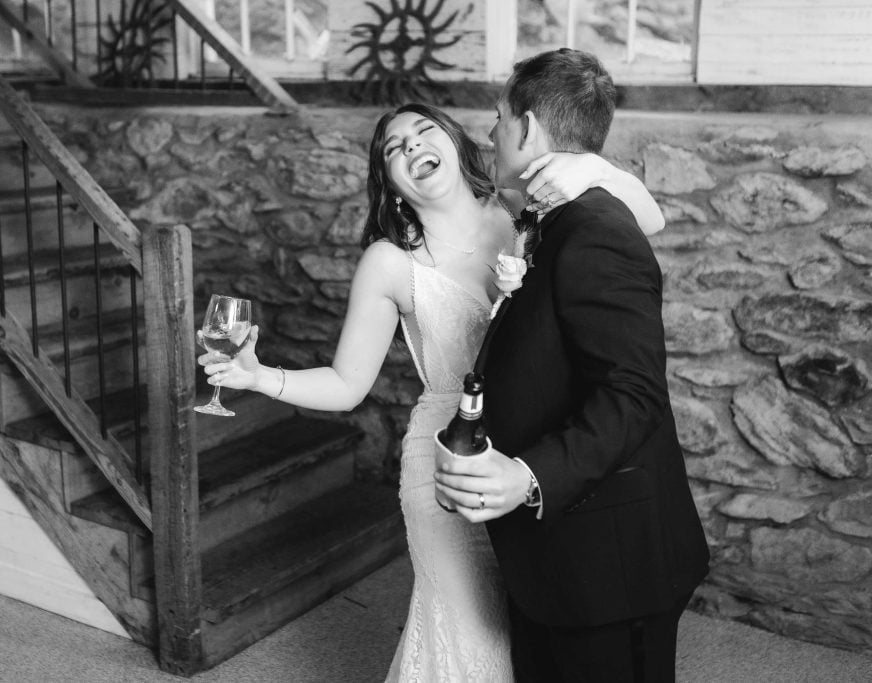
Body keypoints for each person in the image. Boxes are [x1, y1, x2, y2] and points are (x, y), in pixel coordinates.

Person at [199, 101, 664, 682]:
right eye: (393, 148)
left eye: (424, 131)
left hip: (533, 449)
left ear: (455, 144)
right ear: (390, 185)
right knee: (472, 639)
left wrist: (599, 171)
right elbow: (346, 385)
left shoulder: (523, 208)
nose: (411, 146)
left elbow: (648, 220)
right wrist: (258, 375)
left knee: (540, 628)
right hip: (447, 460)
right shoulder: (388, 263)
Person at [434, 49, 710, 682]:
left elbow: (635, 395)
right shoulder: (549, 217)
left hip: (610, 570)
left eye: (499, 118)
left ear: (528, 129)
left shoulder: (594, 227)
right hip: (563, 559)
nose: (489, 132)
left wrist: (527, 477)